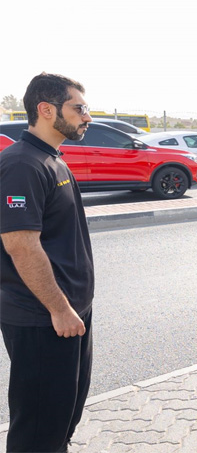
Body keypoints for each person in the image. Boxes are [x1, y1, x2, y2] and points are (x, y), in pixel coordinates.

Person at [0, 73, 95, 452]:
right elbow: (21, 245)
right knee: (38, 427)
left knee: (62, 417)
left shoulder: (51, 158)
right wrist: (59, 309)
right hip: (43, 318)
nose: (86, 117)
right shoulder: (21, 164)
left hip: (70, 314)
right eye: (79, 109)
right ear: (46, 109)